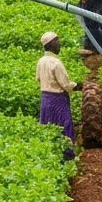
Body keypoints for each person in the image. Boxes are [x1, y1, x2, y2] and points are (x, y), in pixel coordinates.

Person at [36, 31, 81, 160]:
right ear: (50, 45)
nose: (59, 44)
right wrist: (79, 86)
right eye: (57, 42)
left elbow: (38, 78)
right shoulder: (56, 63)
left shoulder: (41, 61)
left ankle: (50, 156)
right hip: (58, 100)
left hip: (45, 99)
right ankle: (67, 157)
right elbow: (65, 84)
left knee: (48, 126)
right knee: (64, 127)